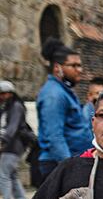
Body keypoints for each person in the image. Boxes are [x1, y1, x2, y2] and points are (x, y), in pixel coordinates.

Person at [37, 39, 92, 182]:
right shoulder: (54, 95)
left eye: (80, 65)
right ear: (57, 68)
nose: (79, 70)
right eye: (73, 65)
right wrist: (69, 169)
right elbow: (55, 137)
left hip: (71, 162)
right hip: (58, 165)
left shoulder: (64, 91)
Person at [0, 80, 29, 199]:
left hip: (13, 145)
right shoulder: (5, 107)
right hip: (8, 146)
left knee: (3, 173)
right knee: (12, 175)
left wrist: (3, 141)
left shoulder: (16, 106)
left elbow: (12, 127)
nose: (1, 96)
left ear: (10, 93)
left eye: (4, 94)